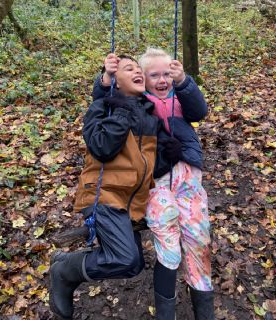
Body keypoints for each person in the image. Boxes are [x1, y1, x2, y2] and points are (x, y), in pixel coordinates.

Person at [49, 55, 174, 320]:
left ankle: (69, 266)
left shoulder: (147, 114)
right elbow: (102, 147)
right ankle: (64, 270)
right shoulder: (102, 107)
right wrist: (120, 110)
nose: (138, 72)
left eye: (138, 68)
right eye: (129, 69)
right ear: (115, 81)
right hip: (104, 194)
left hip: (131, 202)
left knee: (133, 265)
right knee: (124, 258)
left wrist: (169, 156)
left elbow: (144, 166)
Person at [95, 48, 214, 320]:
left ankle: (205, 311)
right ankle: (165, 313)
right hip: (156, 181)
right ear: (143, 80)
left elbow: (200, 111)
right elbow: (106, 101)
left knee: (198, 240)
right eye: (154, 75)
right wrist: (106, 78)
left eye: (167, 74)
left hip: (188, 178)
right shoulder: (140, 103)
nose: (162, 80)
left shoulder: (180, 98)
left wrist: (183, 81)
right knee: (168, 240)